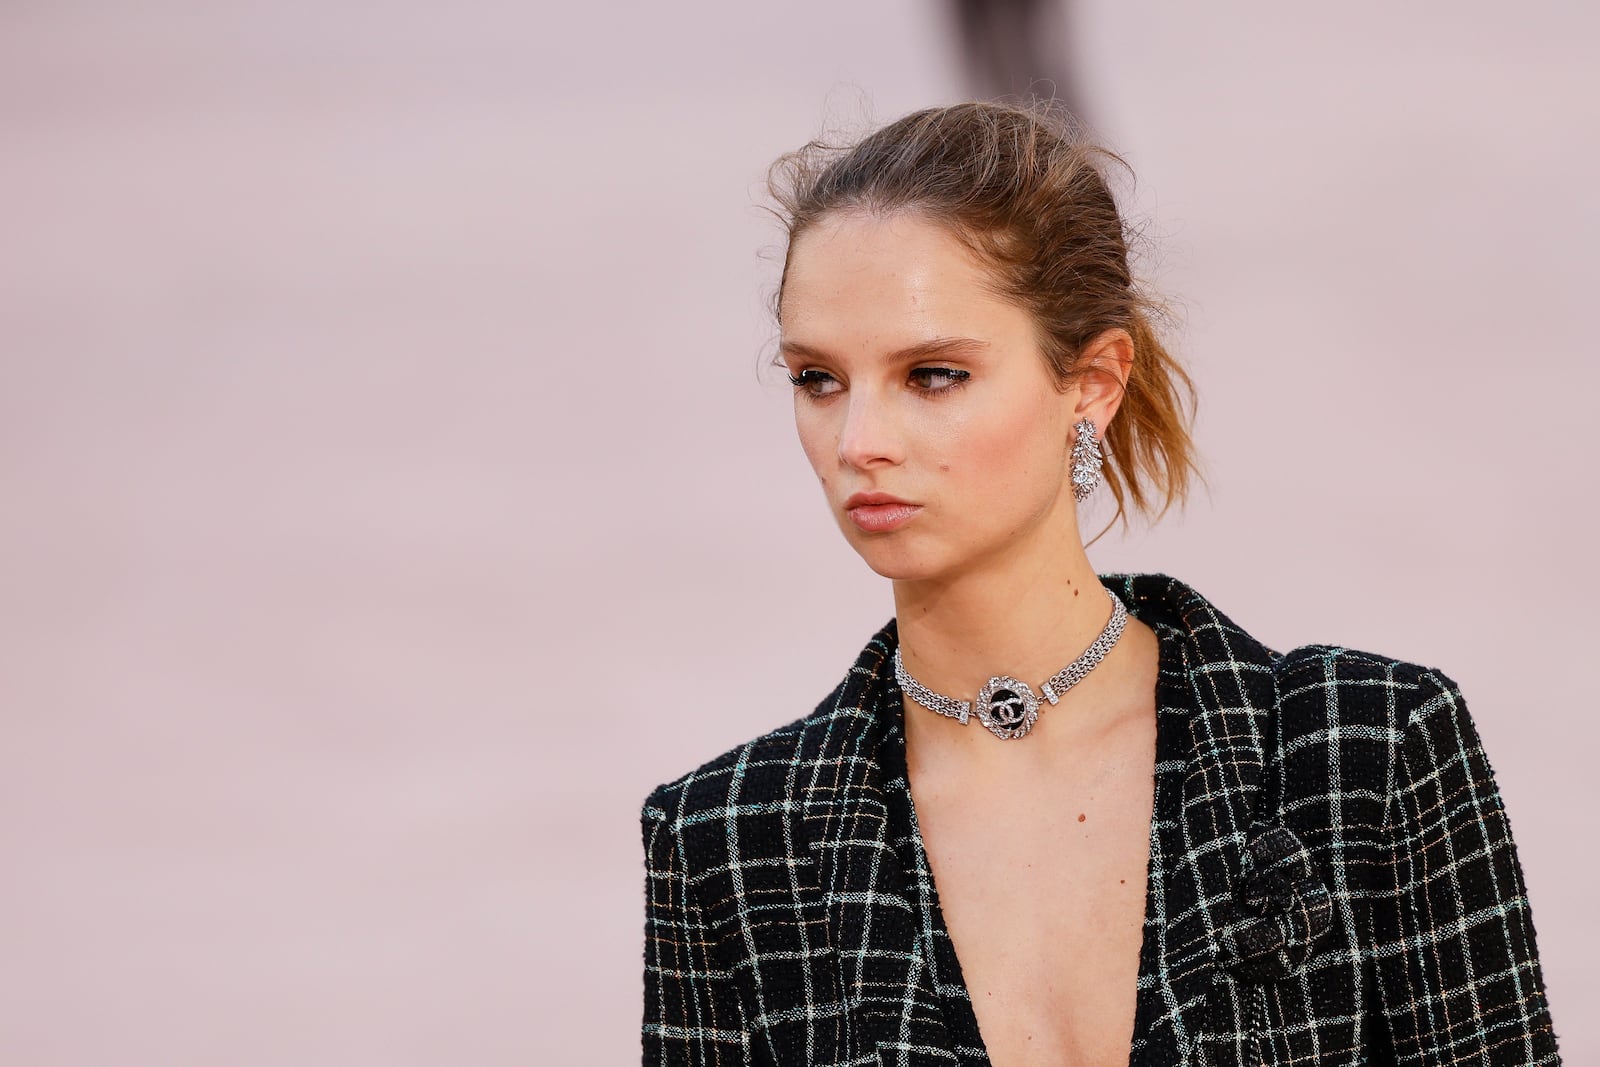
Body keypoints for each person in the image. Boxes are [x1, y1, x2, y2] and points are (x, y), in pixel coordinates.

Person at [639, 101, 1561, 1066]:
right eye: (818, 378)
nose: (859, 441)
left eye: (935, 374)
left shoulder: (1362, 747)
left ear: (1093, 383)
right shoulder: (727, 841)